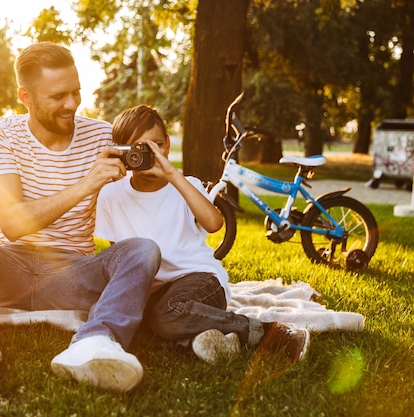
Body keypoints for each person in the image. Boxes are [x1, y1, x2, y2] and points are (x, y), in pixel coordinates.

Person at [0, 43, 161, 393]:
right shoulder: (0, 134)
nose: (72, 104)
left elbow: (148, 176)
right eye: (58, 96)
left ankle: (95, 341)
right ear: (25, 96)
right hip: (3, 268)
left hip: (71, 274)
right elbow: (12, 224)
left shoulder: (102, 134)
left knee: (143, 250)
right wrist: (87, 183)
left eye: (76, 92)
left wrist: (156, 166)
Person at [94, 105, 311, 365]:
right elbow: (124, 258)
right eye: (140, 148)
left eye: (157, 146)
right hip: (154, 290)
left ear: (167, 146)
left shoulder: (188, 185)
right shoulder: (111, 194)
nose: (150, 155)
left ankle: (273, 333)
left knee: (167, 316)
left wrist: (173, 175)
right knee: (125, 318)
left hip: (199, 279)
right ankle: (215, 339)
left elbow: (214, 223)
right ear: (123, 151)